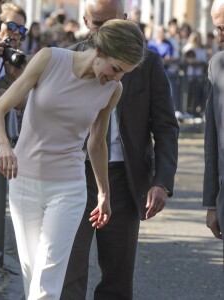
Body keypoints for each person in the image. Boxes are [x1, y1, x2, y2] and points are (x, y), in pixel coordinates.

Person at [0, 19, 145, 300]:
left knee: (47, 280)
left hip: (68, 188)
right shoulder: (49, 58)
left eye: (124, 73)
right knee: (32, 275)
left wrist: (104, 193)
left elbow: (97, 143)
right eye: (117, 69)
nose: (117, 78)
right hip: (23, 182)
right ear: (99, 51)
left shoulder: (112, 91)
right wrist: (3, 146)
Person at [61, 1, 179, 299]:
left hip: (124, 180)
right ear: (86, 21)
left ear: (126, 20)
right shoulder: (67, 59)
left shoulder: (148, 63)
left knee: (117, 273)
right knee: (69, 269)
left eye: (112, 24)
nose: (105, 33)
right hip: (77, 174)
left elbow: (165, 126)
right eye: (98, 25)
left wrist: (162, 181)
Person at [203, 0, 224, 245]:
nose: (219, 37)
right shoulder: (217, 66)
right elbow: (212, 140)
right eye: (217, 29)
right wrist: (211, 203)